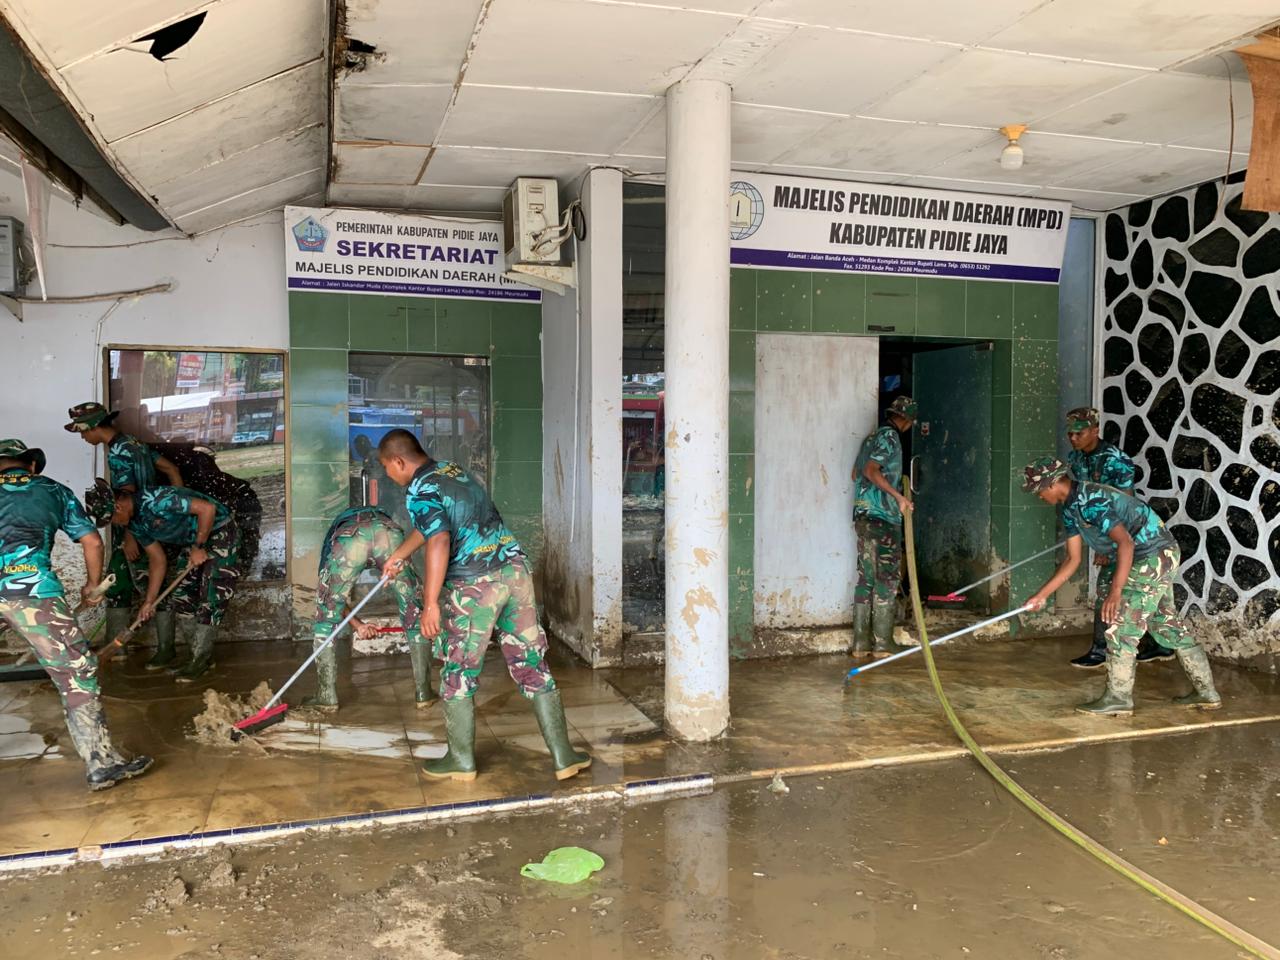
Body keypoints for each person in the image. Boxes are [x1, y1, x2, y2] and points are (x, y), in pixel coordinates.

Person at [377, 429, 590, 783]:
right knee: (531, 661)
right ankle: (563, 755)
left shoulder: (419, 489)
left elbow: (439, 538)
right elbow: (430, 525)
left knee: (459, 669)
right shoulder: (451, 470)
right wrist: (399, 555)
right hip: (514, 573)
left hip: (476, 585)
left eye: (386, 467)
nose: (388, 474)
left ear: (398, 461)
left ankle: (461, 760)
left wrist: (430, 603)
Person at [0, 439, 152, 790]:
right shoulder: (52, 490)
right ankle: (102, 764)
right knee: (77, 674)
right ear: (31, 465)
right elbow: (93, 542)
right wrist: (92, 585)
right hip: (32, 593)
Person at [1021, 456, 1220, 716]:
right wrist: (1041, 596)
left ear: (1053, 483)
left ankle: (1119, 698)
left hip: (1151, 555)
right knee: (1164, 622)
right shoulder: (1069, 508)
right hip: (1152, 556)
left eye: (1038, 490)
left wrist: (1116, 592)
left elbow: (1126, 543)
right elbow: (1073, 559)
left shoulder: (1091, 501)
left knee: (1121, 624)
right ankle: (1207, 693)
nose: (1038, 496)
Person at [65, 402, 184, 669]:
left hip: (134, 528)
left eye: (82, 431)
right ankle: (116, 648)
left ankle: (166, 650)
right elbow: (172, 470)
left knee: (152, 585)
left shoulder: (118, 452)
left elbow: (124, 498)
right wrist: (174, 510)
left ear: (93, 427)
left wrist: (130, 537)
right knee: (117, 581)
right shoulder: (134, 443)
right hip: (151, 521)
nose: (83, 437)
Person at [86, 481, 240, 683]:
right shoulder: (135, 523)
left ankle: (199, 660)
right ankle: (199, 656)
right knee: (182, 596)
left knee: (211, 595)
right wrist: (149, 601)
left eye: (112, 519)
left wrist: (199, 546)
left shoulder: (156, 500)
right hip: (194, 541)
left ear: (118, 507)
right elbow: (157, 559)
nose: (115, 523)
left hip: (219, 531)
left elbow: (207, 509)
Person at [1064, 406, 1172, 669]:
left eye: (1079, 433)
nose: (1073, 438)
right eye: (1070, 433)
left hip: (1131, 534)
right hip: (1110, 531)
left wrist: (1108, 546)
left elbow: (1126, 504)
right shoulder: (1075, 458)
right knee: (1151, 592)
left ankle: (1102, 649)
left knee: (1110, 587)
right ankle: (1161, 643)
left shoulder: (1116, 460)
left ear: (1095, 430)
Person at [303, 506, 435, 712]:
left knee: (327, 616)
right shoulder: (383, 518)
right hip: (388, 535)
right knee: (414, 611)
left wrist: (356, 625)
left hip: (351, 540)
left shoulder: (334, 537)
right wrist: (359, 625)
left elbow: (332, 601)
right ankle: (424, 693)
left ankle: (326, 697)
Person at [848, 395, 917, 659]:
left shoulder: (871, 438)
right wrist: (899, 496)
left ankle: (860, 644)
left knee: (866, 578)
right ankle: (883, 644)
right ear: (907, 420)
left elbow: (855, 474)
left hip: (863, 516)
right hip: (883, 517)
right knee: (887, 578)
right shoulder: (890, 438)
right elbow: (870, 470)